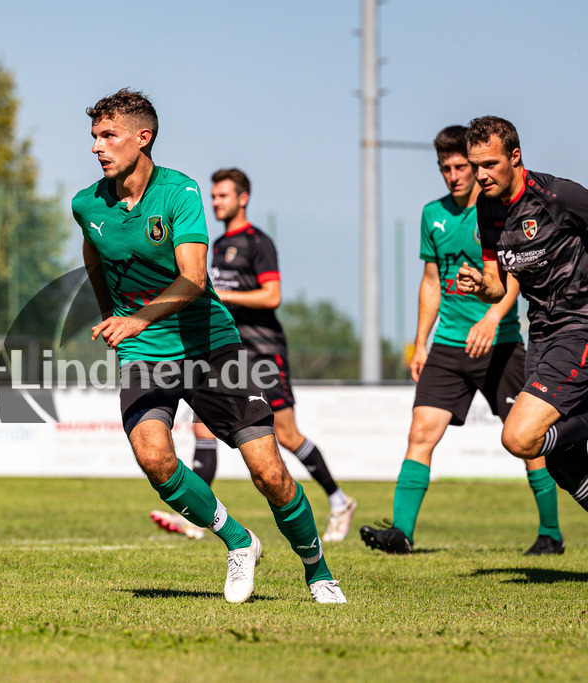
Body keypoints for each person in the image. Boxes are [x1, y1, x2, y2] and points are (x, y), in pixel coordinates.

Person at [73, 88, 345, 604]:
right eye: (94, 137)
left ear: (142, 137)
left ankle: (318, 571)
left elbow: (194, 278)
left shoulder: (180, 192)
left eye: (108, 136)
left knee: (269, 471)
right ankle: (239, 541)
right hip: (144, 351)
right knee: (155, 458)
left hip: (212, 346)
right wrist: (114, 317)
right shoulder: (87, 205)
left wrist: (137, 318)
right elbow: (94, 258)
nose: (97, 148)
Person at [360, 125, 564, 555]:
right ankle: (400, 532)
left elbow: (512, 276)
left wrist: (492, 319)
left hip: (501, 345)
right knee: (421, 432)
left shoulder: (497, 211)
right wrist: (420, 341)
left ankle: (551, 533)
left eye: (461, 167)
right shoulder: (431, 215)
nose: (454, 176)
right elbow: (431, 282)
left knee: (526, 441)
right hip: (450, 345)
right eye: (446, 168)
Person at [153, 168, 357, 544]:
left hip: (263, 351)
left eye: (223, 196)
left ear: (243, 198)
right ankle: (198, 517)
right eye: (213, 196)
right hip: (223, 352)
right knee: (201, 428)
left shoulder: (257, 242)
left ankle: (339, 500)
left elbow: (272, 295)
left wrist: (223, 296)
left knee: (286, 433)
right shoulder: (211, 242)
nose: (215, 202)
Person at [458, 115, 588, 514]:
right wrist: (482, 286)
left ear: (515, 157)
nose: (480, 174)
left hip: (579, 326)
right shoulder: (487, 209)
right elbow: (499, 285)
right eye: (474, 165)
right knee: (558, 462)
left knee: (519, 438)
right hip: (542, 333)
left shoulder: (558, 197)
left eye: (489, 164)